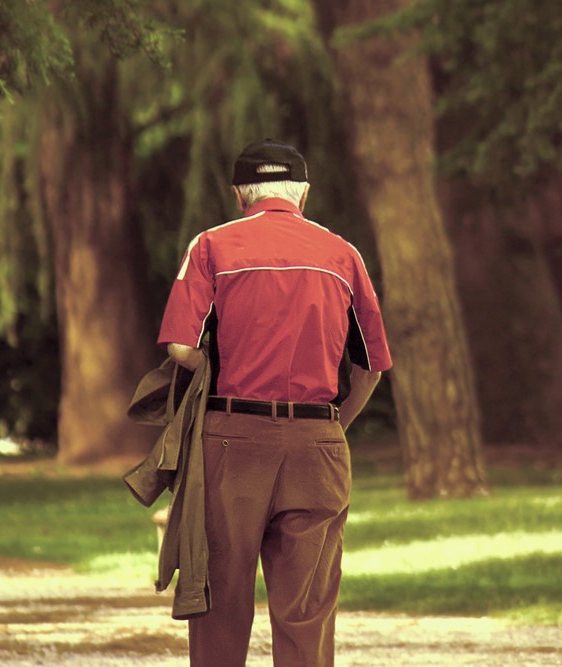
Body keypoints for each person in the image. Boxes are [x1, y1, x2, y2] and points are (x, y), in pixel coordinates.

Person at [157, 139, 393, 666]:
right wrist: (333, 426)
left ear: (241, 193)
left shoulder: (211, 247)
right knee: (306, 612)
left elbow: (179, 347)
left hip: (232, 443)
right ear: (303, 193)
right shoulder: (343, 253)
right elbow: (372, 365)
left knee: (219, 602)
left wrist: (215, 372)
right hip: (318, 444)